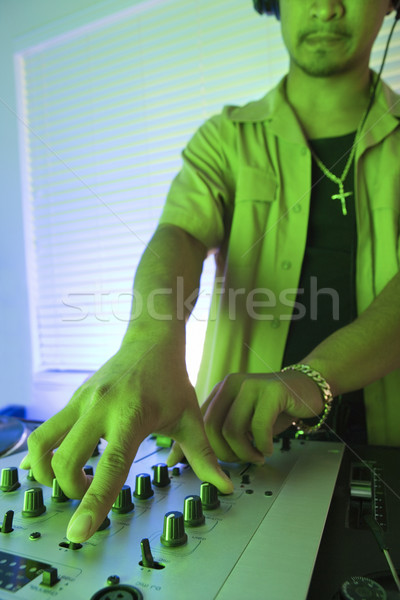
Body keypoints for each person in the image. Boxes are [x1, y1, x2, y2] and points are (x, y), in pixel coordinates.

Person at [20, 0, 400, 544]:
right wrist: (150, 338)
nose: (325, 6)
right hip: (236, 454)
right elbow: (179, 233)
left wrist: (310, 377)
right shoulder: (225, 138)